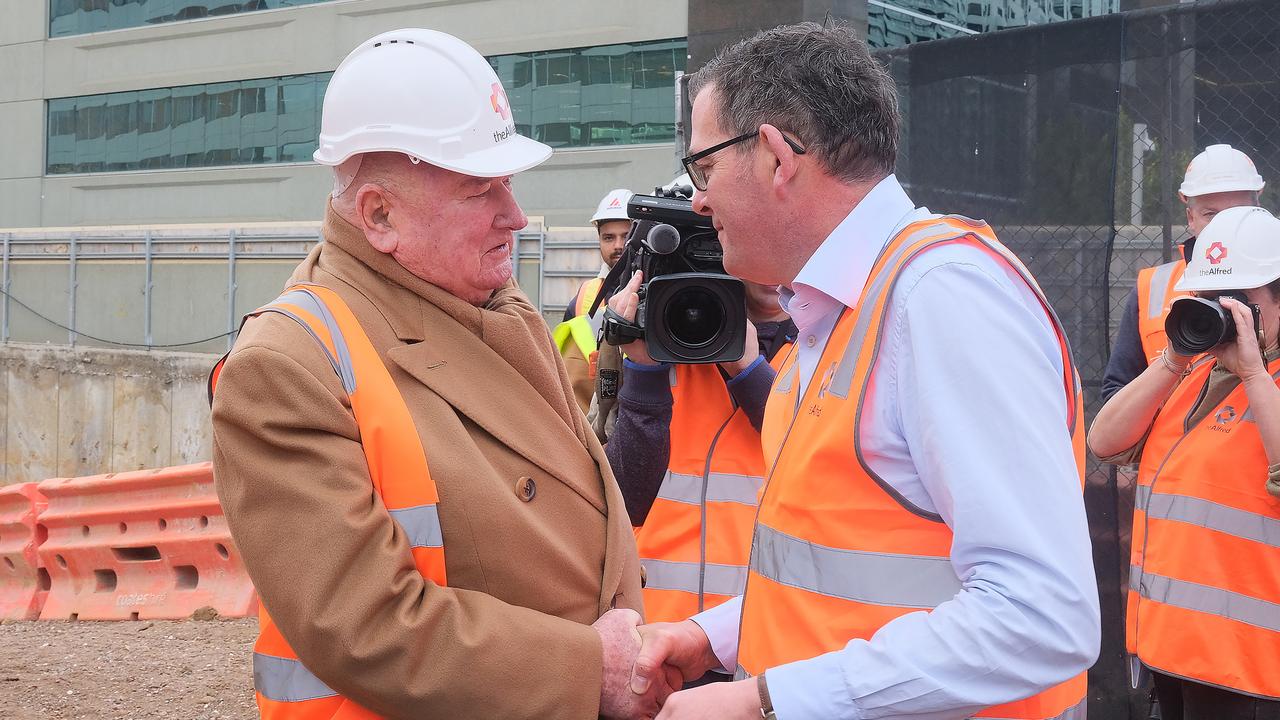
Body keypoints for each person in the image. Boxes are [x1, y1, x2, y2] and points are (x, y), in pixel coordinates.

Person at [626, 22, 1100, 720]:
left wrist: (765, 701)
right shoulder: (842, 312)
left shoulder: (938, 299)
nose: (697, 200)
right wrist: (712, 636)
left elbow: (1042, 615)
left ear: (776, 156)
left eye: (704, 168)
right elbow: (844, 576)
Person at [209, 28, 668, 720]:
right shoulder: (288, 365)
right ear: (380, 215)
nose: (514, 216)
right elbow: (365, 625)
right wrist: (589, 667)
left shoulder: (492, 307)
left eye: (507, 184)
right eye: (479, 189)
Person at [1089, 206, 1280, 720]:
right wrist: (1174, 358)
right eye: (1214, 299)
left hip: (1252, 672)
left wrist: (1256, 375)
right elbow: (1104, 442)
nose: (1226, 312)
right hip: (1172, 652)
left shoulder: (1266, 382)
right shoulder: (1194, 377)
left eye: (1243, 301)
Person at [605, 276, 795, 631]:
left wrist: (749, 372)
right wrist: (644, 371)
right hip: (656, 627)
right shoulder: (664, 338)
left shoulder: (830, 344)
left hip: (766, 632)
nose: (772, 272)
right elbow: (627, 499)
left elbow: (815, 465)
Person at [1102, 144, 1264, 402]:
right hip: (1168, 441)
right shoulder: (1153, 287)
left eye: (1237, 213)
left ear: (1259, 209)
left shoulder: (1273, 286)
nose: (1224, 225)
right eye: (1211, 214)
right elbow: (1117, 390)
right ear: (1190, 217)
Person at [556, 188, 635, 412]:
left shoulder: (662, 294)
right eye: (608, 237)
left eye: (626, 235)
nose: (618, 245)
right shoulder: (582, 299)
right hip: (595, 428)